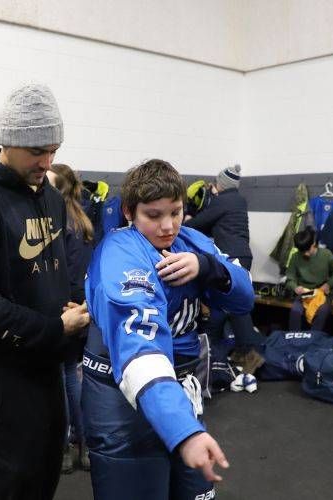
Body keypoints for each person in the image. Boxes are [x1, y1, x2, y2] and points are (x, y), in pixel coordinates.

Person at [0, 83, 90, 500]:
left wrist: (76, 305)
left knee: (43, 488)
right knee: (15, 493)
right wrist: (53, 326)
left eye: (54, 151)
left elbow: (55, 275)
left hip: (44, 374)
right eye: (37, 151)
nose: (47, 162)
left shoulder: (51, 200)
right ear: (8, 142)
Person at [82, 159, 255, 499]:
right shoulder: (120, 253)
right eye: (154, 215)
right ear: (130, 212)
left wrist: (210, 269)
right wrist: (184, 432)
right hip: (124, 399)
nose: (167, 226)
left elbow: (245, 297)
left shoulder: (191, 242)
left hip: (178, 393)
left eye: (175, 212)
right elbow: (139, 349)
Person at [184, 165, 261, 368]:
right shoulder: (238, 200)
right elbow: (215, 224)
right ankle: (218, 356)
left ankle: (250, 359)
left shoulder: (222, 201)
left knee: (236, 308)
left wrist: (187, 219)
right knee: (226, 306)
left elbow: (199, 224)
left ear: (221, 184)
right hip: (243, 254)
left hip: (232, 256)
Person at [47, 164, 95, 474]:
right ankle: (85, 446)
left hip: (65, 309)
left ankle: (64, 448)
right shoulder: (83, 220)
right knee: (74, 378)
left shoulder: (58, 222)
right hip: (80, 306)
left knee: (63, 379)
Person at [285, 227, 333, 332]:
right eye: (302, 251)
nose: (305, 254)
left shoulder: (326, 254)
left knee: (322, 311)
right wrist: (295, 288)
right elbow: (289, 279)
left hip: (321, 294)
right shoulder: (295, 257)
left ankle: (313, 341)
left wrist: (328, 284)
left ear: (313, 243)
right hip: (304, 294)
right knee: (295, 311)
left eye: (307, 250)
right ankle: (294, 341)